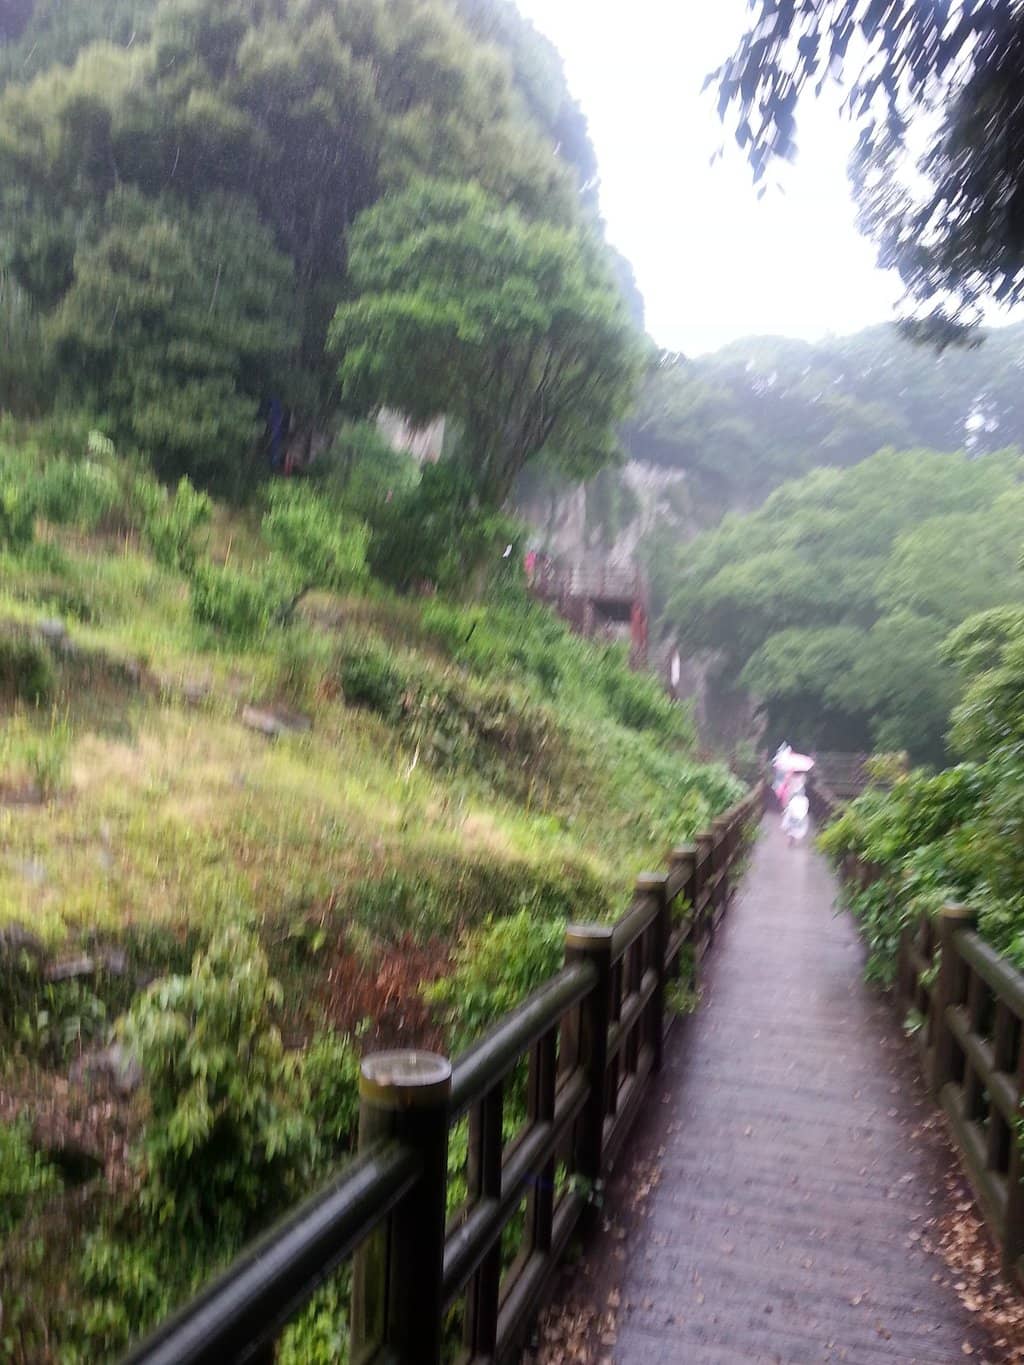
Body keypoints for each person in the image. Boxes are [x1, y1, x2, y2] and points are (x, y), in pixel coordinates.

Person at [781, 777, 810, 847]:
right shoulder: (805, 800)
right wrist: (803, 815)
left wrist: (785, 812)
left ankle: (791, 841)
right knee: (796, 829)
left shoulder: (794, 799)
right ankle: (792, 840)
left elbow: (790, 807)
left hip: (793, 816)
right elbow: (806, 808)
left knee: (791, 829)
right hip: (800, 817)